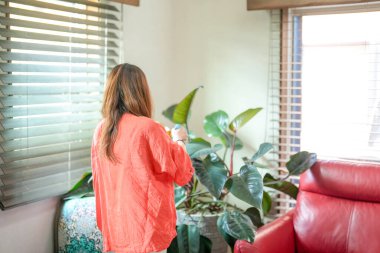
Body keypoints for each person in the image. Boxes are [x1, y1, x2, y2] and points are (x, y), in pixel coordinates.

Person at [91, 63, 194, 253]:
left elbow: (100, 178)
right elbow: (182, 173)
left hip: (116, 229)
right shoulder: (148, 128)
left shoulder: (101, 130)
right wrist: (180, 141)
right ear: (141, 91)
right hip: (146, 232)